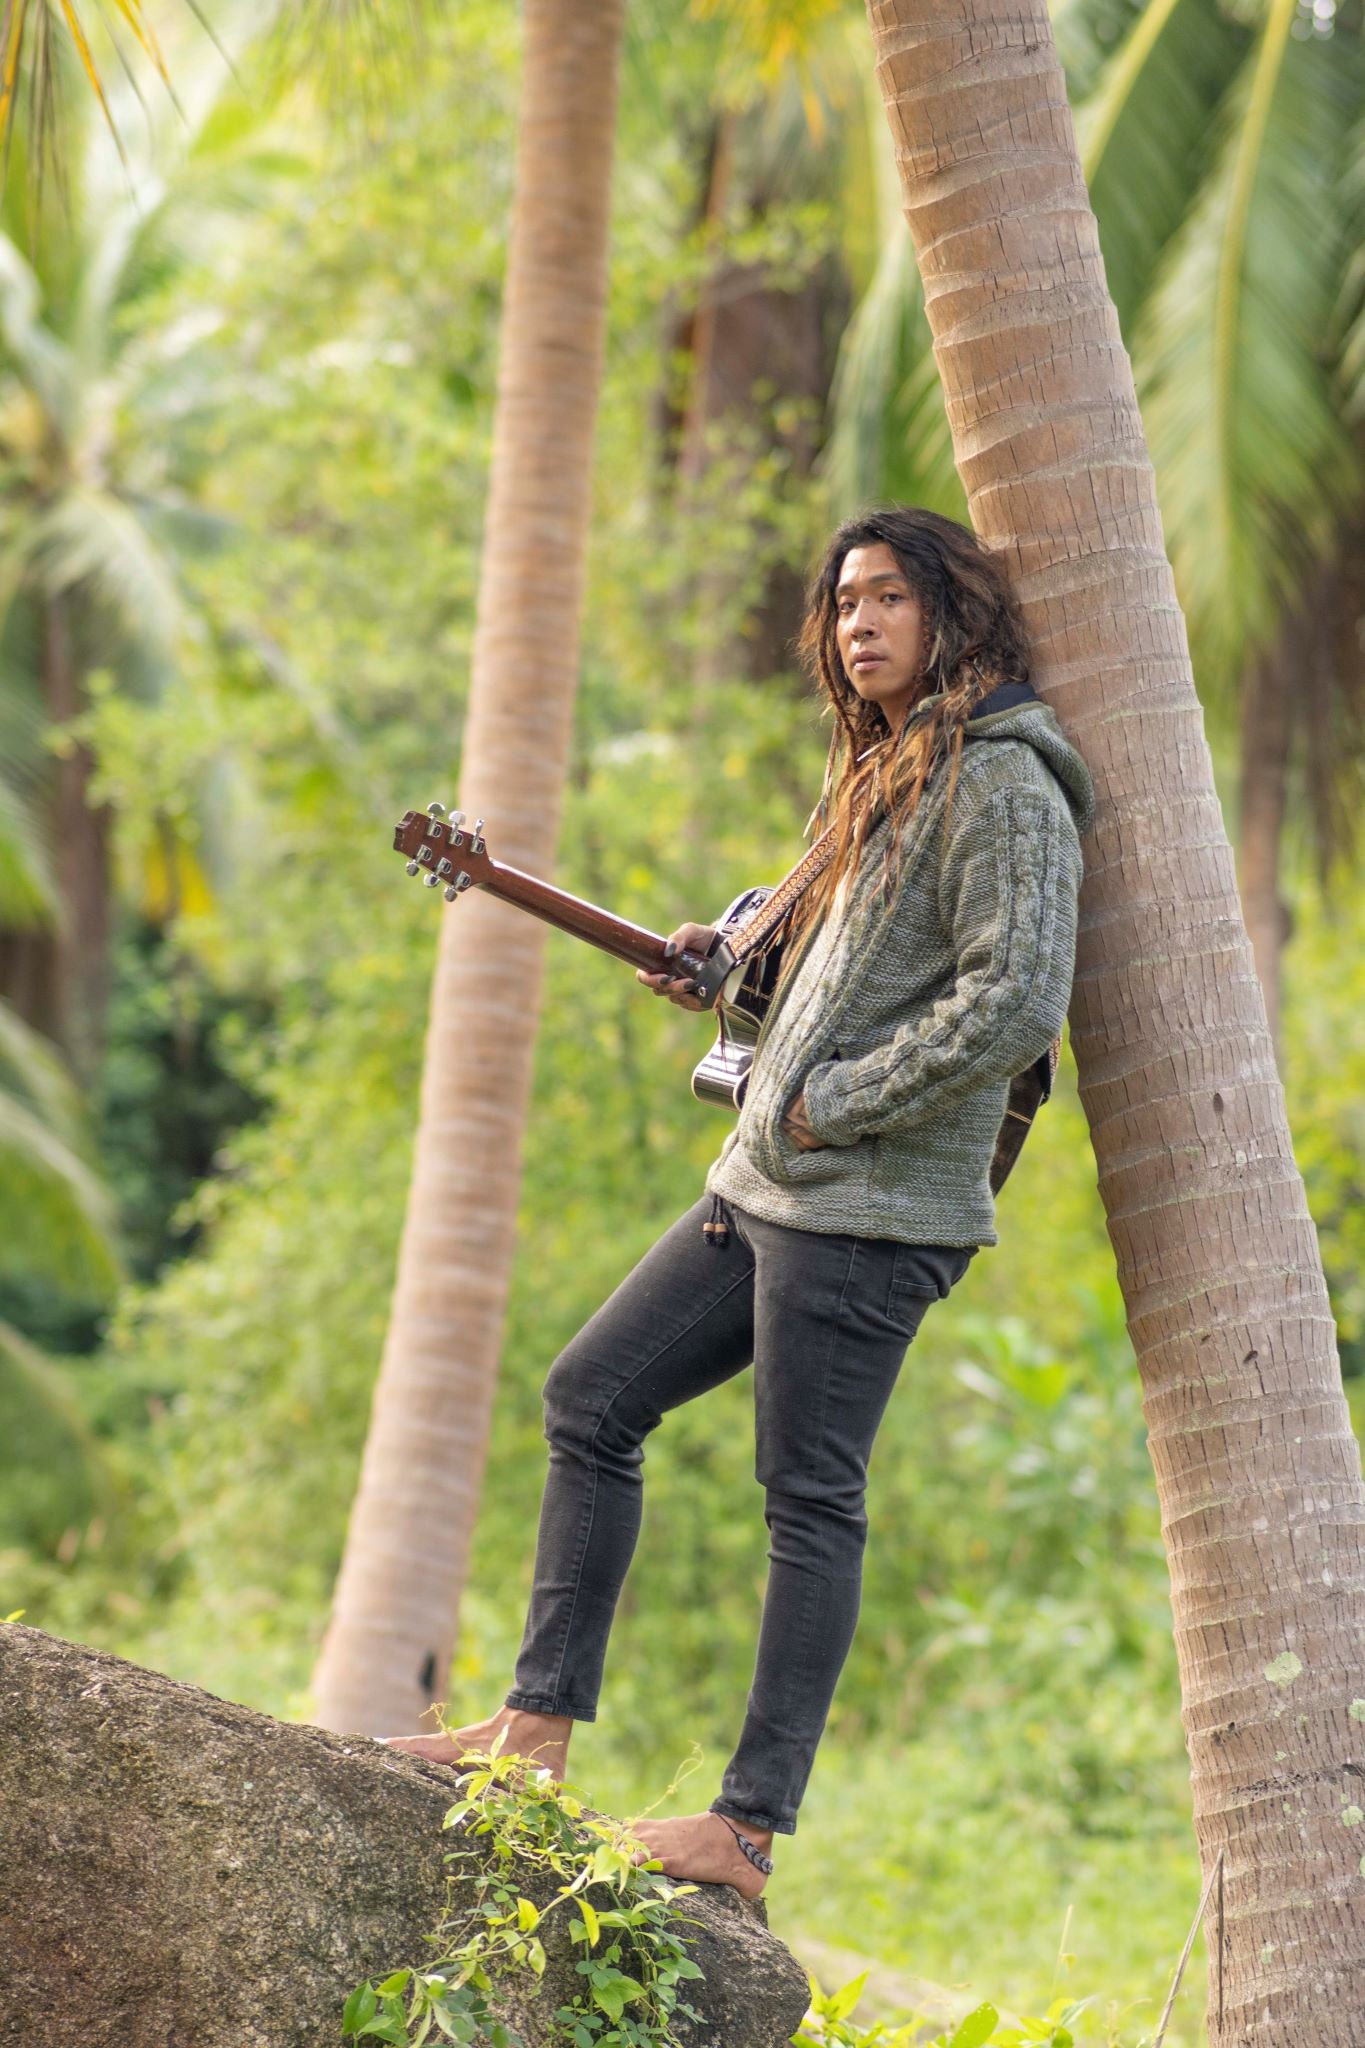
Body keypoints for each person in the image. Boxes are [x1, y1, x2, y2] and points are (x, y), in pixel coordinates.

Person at [384, 506, 1095, 1900]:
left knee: (806, 1501)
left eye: (889, 599)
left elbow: (1012, 1000)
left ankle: (745, 1831)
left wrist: (831, 1102)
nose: (859, 625)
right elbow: (839, 977)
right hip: (769, 1183)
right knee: (592, 1399)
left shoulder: (1007, 779)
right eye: (844, 604)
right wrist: (732, 967)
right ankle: (531, 1733)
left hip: (868, 1209)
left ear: (954, 612)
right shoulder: (891, 768)